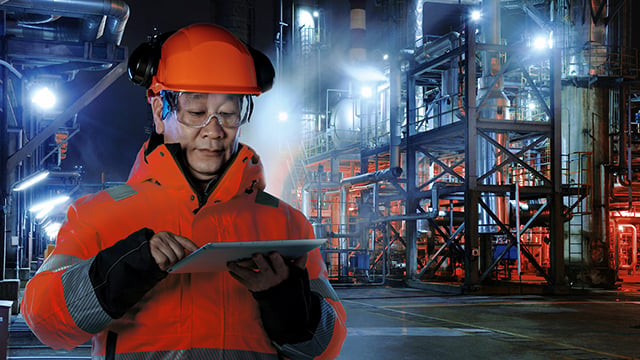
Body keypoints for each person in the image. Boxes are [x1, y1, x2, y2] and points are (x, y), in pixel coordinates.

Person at [21, 23, 347, 360]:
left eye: (229, 114)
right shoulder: (98, 216)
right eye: (196, 113)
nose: (214, 131)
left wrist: (286, 303)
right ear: (158, 111)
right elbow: (45, 322)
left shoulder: (286, 223)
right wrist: (121, 271)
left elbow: (328, 346)